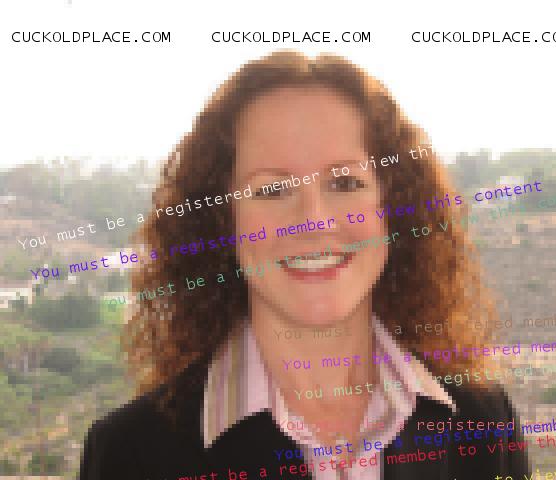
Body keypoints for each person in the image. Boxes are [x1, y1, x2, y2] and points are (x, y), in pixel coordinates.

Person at [79, 51, 530, 479]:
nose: (314, 221)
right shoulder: (132, 453)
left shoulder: (484, 423)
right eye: (272, 190)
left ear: (393, 208)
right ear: (221, 219)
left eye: (345, 183)